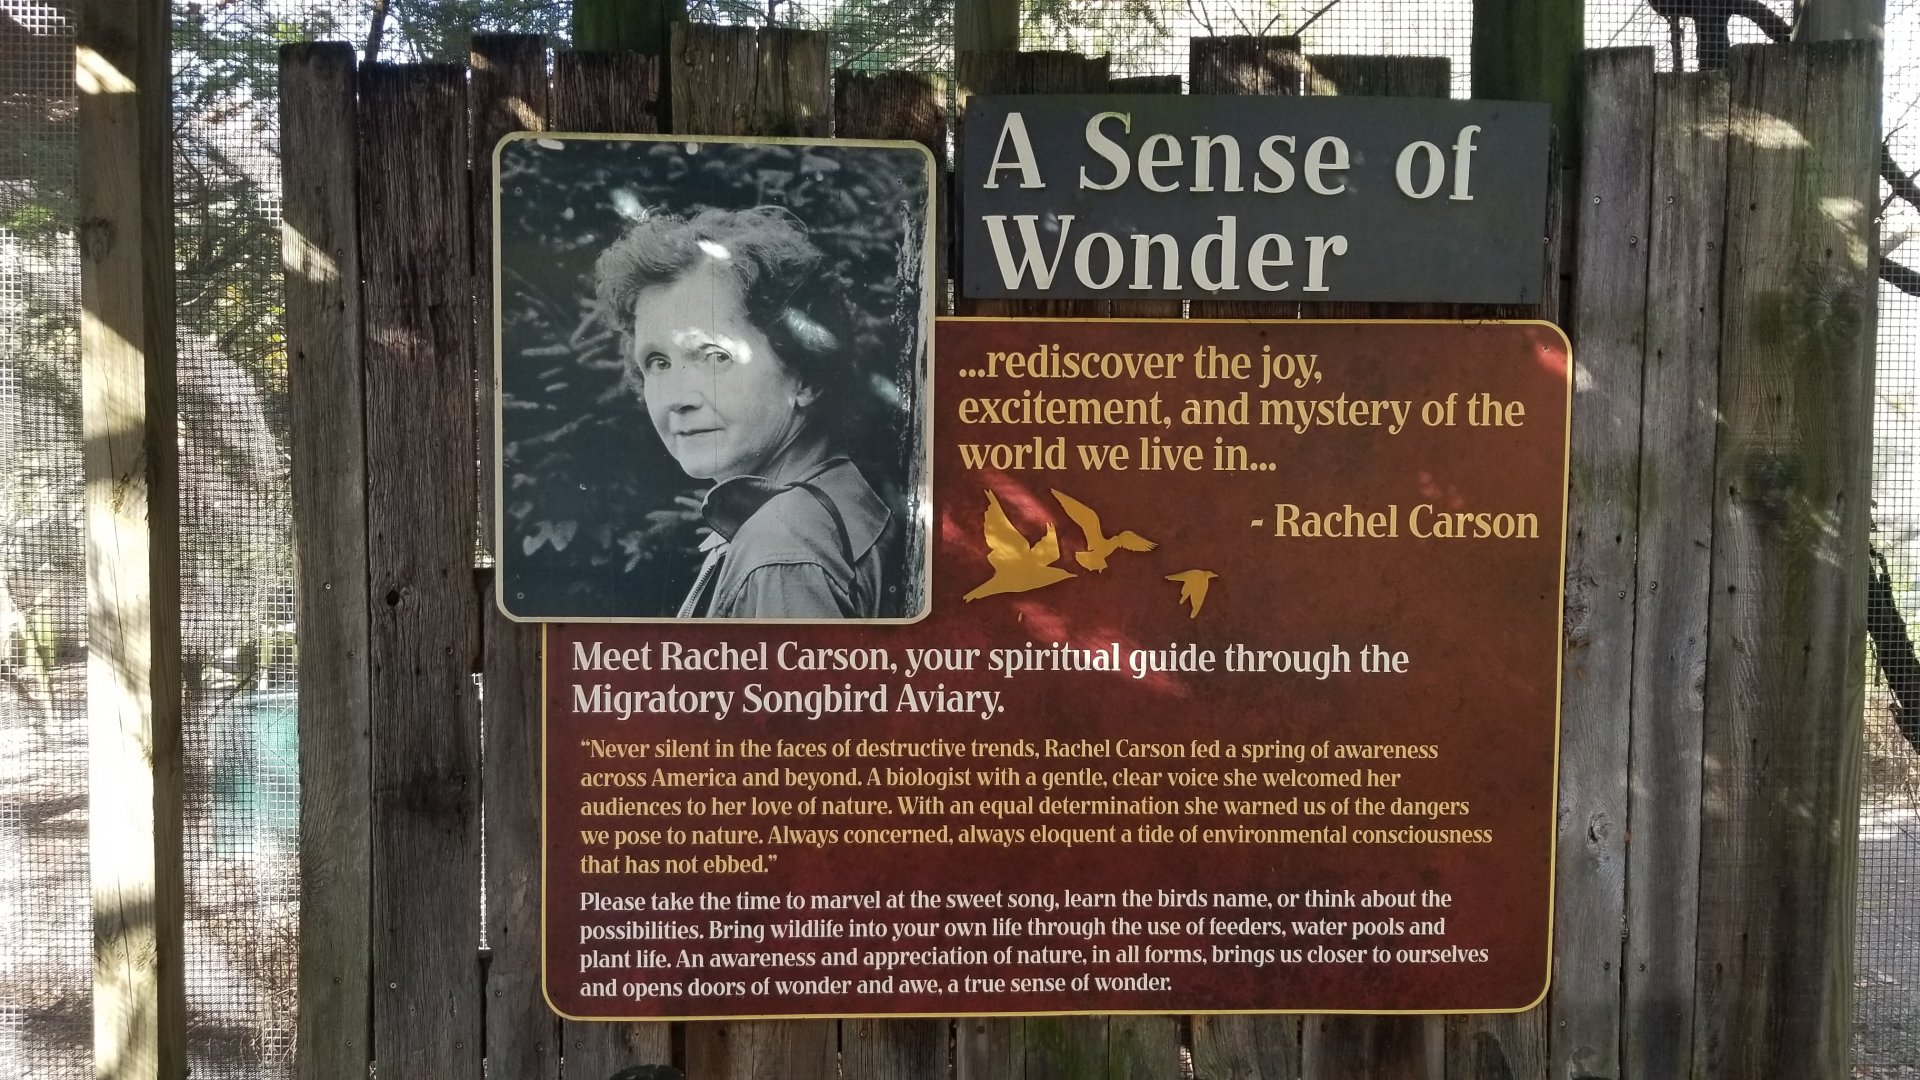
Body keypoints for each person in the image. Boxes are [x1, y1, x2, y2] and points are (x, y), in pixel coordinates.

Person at [594, 206, 893, 619]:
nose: (677, 397)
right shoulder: (831, 497)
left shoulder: (781, 550)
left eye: (716, 356)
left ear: (806, 376)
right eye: (658, 362)